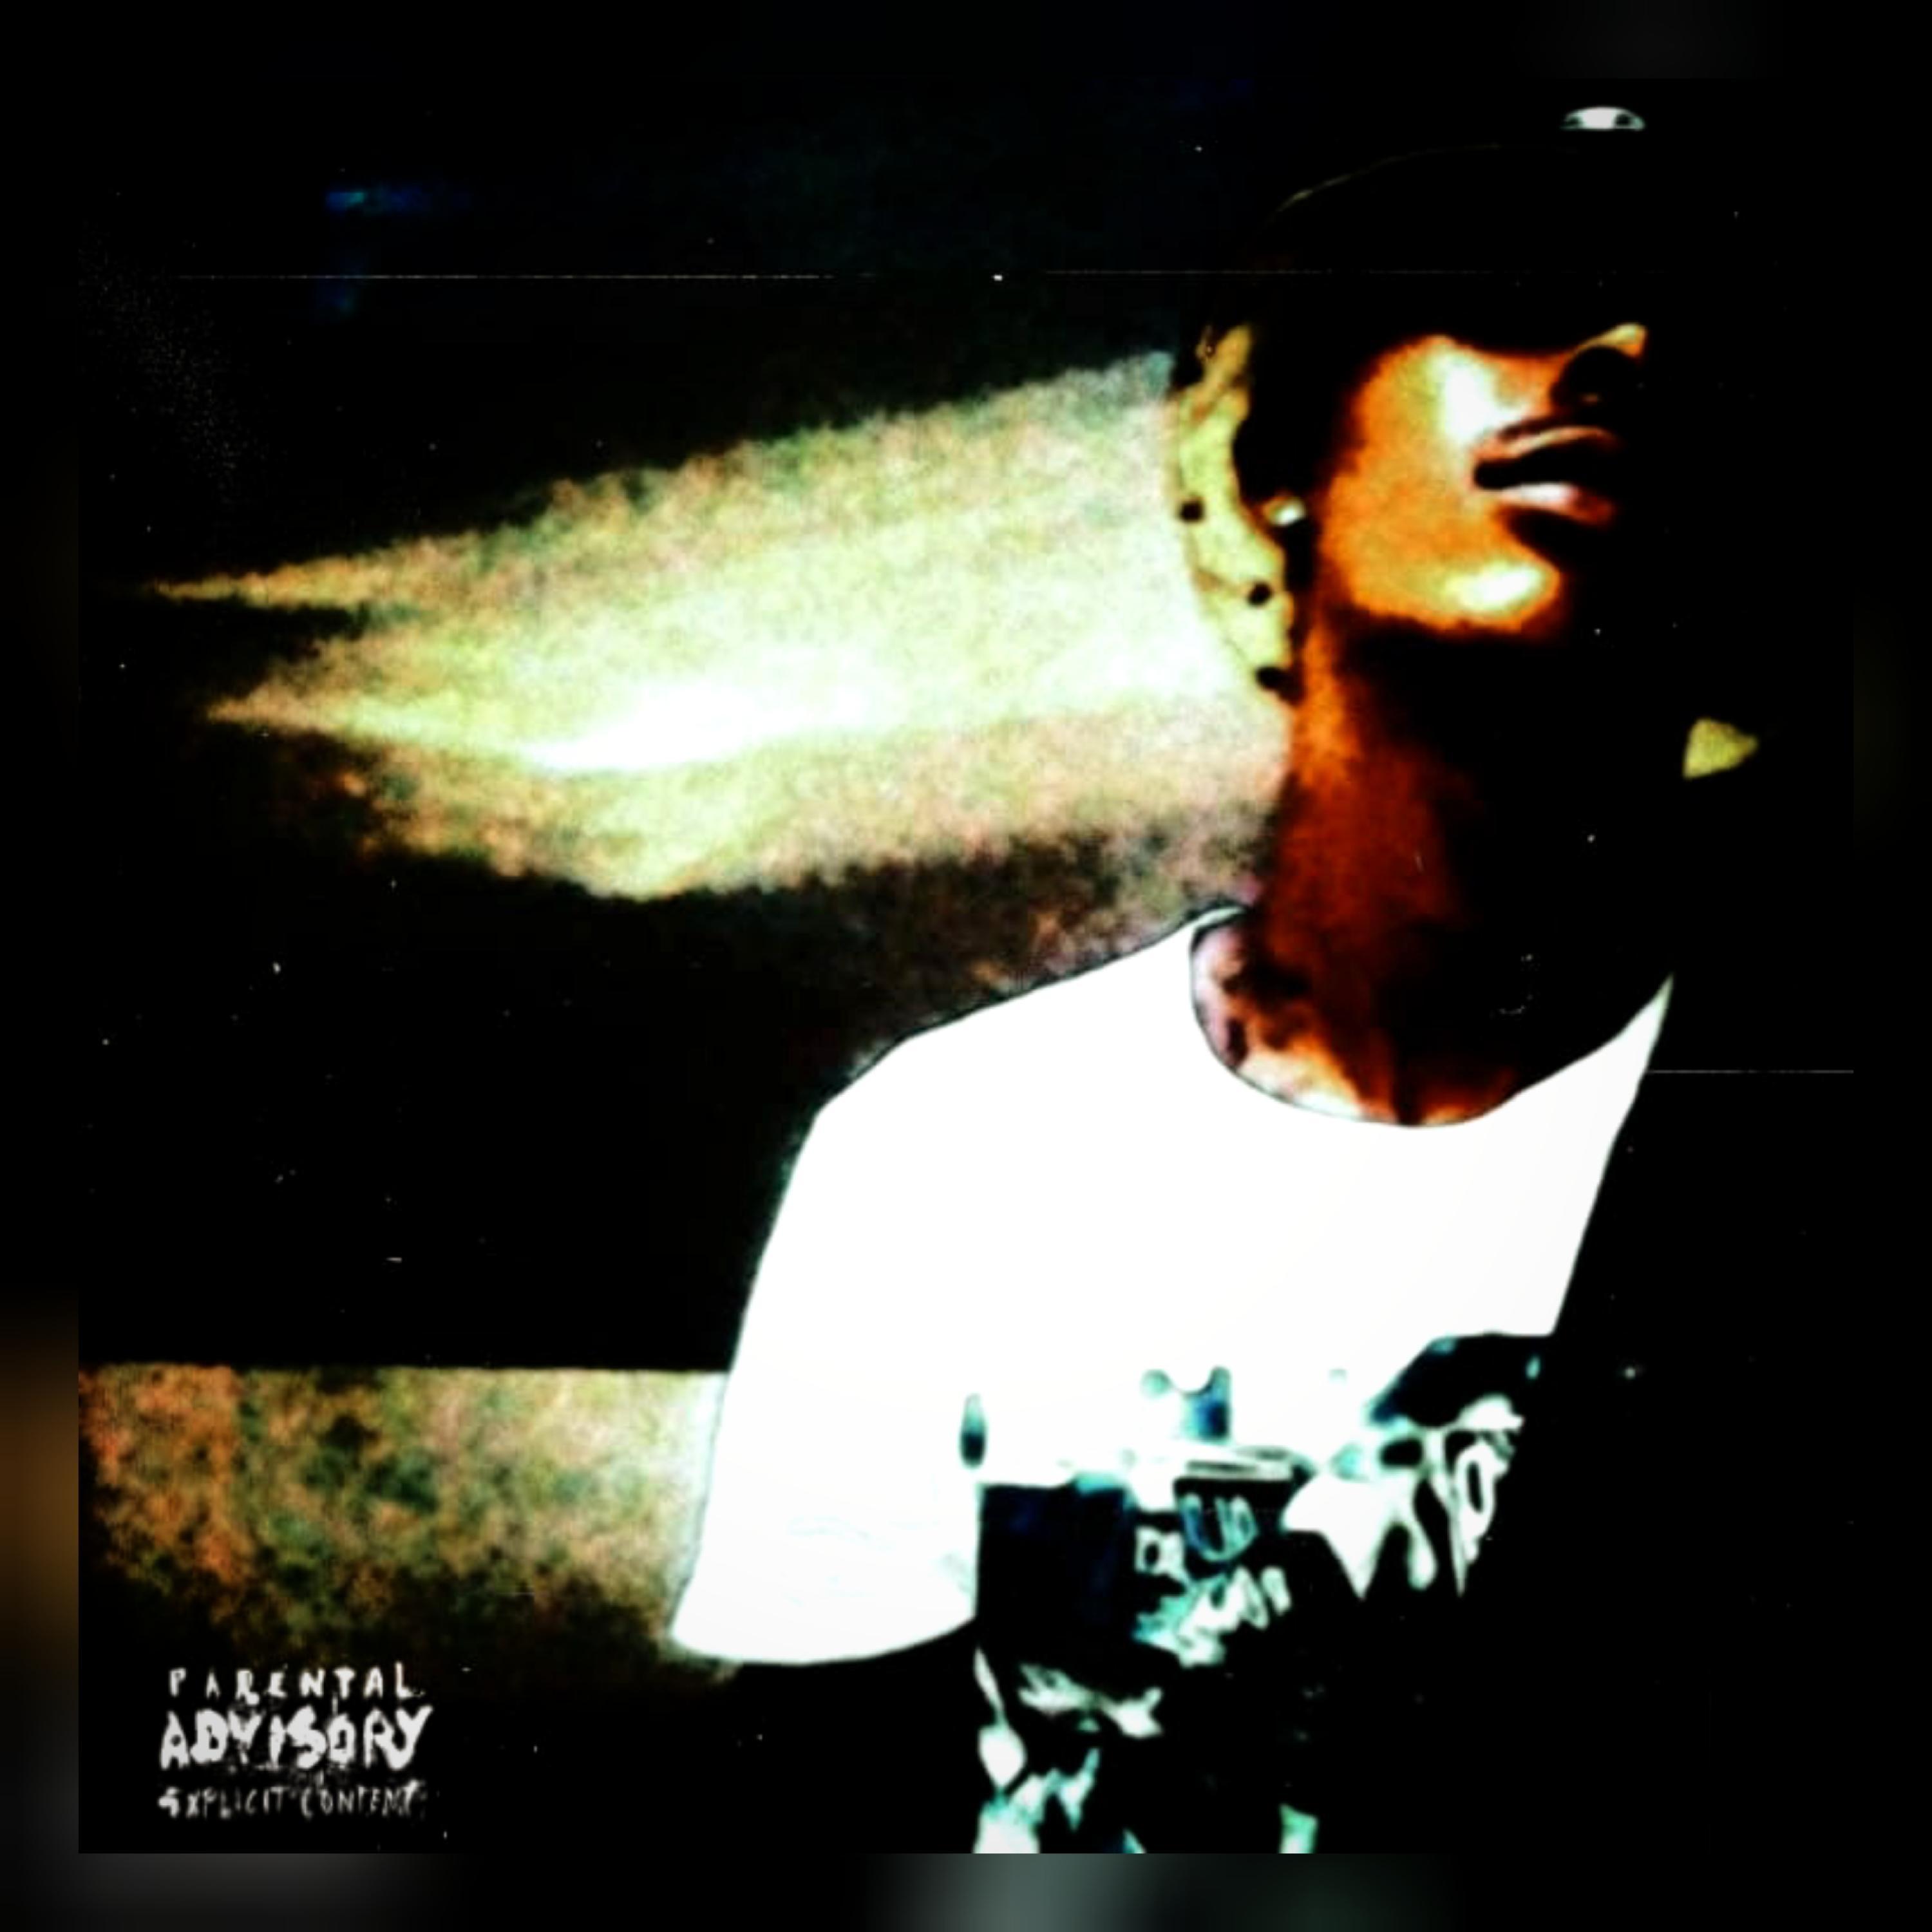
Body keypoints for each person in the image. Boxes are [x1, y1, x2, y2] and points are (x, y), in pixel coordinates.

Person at [670, 116, 1841, 1849]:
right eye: (1515, 290)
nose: (1628, 351)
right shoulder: (950, 1149)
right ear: (1282, 449)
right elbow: (823, 1802)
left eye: (1714, 346)